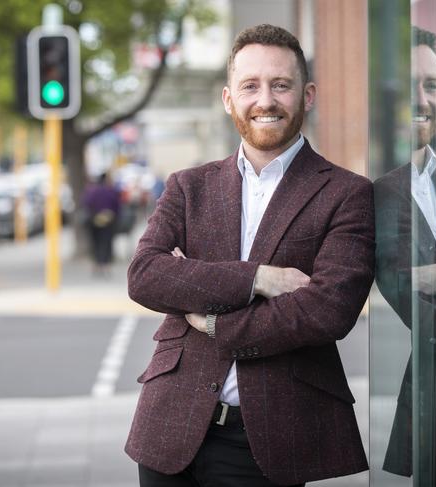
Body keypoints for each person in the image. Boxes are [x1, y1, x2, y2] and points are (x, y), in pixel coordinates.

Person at [125, 24, 374, 486]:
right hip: (170, 424)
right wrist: (258, 278)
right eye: (250, 86)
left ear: (308, 95)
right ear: (228, 99)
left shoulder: (346, 193)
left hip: (271, 435)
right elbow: (145, 275)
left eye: (281, 85)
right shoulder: (187, 185)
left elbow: (328, 310)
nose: (266, 100)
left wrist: (215, 322)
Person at [374, 26, 436, 484]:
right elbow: (407, 297)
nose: (422, 99)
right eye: (410, 84)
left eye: (432, 85)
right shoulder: (383, 194)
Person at [81, 172, 121, 275]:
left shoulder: (91, 191)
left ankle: (96, 265)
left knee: (95, 243)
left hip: (94, 221)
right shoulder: (111, 191)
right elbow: (117, 206)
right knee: (107, 243)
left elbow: (86, 203)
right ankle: (106, 266)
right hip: (108, 221)